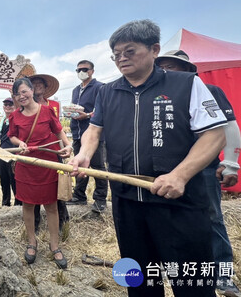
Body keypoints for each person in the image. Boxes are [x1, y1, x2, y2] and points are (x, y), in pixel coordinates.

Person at [71, 20, 227, 296]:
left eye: (129, 51)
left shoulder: (187, 84)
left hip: (180, 203)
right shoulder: (108, 93)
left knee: (192, 284)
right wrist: (84, 155)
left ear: (154, 49)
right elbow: (94, 131)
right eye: (116, 54)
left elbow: (214, 136)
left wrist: (180, 175)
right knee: (139, 281)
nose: (121, 59)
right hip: (127, 204)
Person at [156, 49, 241, 296]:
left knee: (212, 218)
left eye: (175, 67)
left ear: (189, 71)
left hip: (203, 169)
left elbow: (229, 126)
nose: (168, 72)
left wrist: (232, 162)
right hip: (166, 169)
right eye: (164, 67)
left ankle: (224, 277)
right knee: (170, 219)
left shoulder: (210, 91)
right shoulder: (158, 96)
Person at [8, 78, 72, 268]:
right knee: (27, 205)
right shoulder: (14, 117)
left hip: (48, 164)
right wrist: (19, 143)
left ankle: (54, 245)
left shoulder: (46, 111)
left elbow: (59, 131)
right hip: (26, 164)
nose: (22, 96)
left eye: (24, 91)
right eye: (18, 94)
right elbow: (11, 135)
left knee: (51, 206)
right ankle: (32, 242)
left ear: (31, 90)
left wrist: (68, 146)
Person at [28, 74, 69, 232]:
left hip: (53, 151)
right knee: (35, 187)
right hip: (34, 152)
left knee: (57, 186)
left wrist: (66, 145)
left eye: (40, 84)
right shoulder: (24, 106)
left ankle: (62, 221)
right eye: (34, 84)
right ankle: (35, 224)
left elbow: (58, 128)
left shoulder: (54, 105)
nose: (38, 86)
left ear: (46, 88)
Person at [67, 60, 108, 213]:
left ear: (92, 71)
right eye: (78, 70)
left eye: (84, 69)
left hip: (93, 134)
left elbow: (102, 110)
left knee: (98, 166)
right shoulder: (76, 90)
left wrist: (87, 115)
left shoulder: (100, 87)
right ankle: (79, 195)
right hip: (77, 132)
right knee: (79, 166)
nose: (81, 72)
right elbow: (73, 108)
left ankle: (100, 199)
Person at [0, 97, 21, 206]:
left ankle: (18, 202)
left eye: (10, 104)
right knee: (3, 179)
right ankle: (5, 202)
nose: (7, 107)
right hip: (2, 152)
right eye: (5, 104)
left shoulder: (16, 119)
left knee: (14, 179)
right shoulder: (2, 121)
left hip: (13, 153)